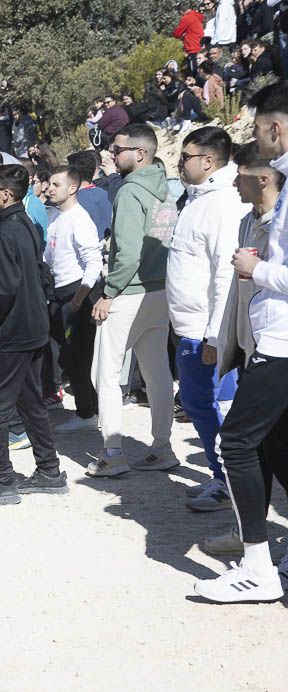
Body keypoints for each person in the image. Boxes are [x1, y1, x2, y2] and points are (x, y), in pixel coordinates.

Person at [194, 83, 288, 603]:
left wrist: (258, 270)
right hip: (272, 339)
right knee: (274, 442)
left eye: (255, 130)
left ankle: (257, 566)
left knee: (236, 442)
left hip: (282, 340)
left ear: (275, 130)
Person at [0, 164, 66, 506]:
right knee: (30, 400)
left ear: (6, 194)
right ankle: (49, 471)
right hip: (34, 326)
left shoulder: (4, 231)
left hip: (13, 330)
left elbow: (6, 289)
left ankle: (2, 480)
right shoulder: (26, 224)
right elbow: (35, 274)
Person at [88, 124, 179, 477]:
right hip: (160, 291)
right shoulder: (165, 190)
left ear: (139, 153)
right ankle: (162, 446)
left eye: (118, 149)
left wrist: (108, 293)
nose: (112, 154)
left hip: (129, 292)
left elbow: (127, 255)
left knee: (105, 373)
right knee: (157, 372)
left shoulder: (129, 193)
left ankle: (112, 453)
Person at [166, 127, 248, 512]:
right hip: (189, 327)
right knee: (198, 405)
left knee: (218, 409)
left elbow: (224, 275)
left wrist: (216, 336)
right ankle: (220, 476)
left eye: (185, 156)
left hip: (206, 332)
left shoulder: (222, 204)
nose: (179, 162)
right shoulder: (196, 199)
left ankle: (230, 482)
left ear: (209, 161)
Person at [43, 166, 103, 432]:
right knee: (67, 356)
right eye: (49, 183)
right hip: (58, 294)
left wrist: (79, 299)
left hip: (75, 294)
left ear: (72, 188)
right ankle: (89, 407)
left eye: (56, 184)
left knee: (79, 357)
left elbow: (93, 264)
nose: (50, 188)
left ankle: (87, 412)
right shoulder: (56, 217)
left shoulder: (80, 219)